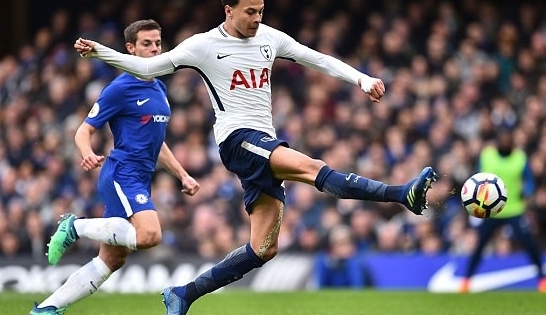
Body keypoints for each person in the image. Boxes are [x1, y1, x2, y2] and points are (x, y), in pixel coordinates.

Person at [74, 1, 438, 314]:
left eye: (261, 10)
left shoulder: (269, 38)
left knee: (264, 249)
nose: (257, 18)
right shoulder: (203, 45)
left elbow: (317, 59)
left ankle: (183, 294)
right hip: (237, 141)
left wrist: (360, 79)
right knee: (312, 169)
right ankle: (400, 194)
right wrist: (100, 51)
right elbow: (148, 68)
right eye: (250, 11)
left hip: (264, 140)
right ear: (228, 10)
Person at [30, 19, 200, 315]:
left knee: (111, 260)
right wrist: (87, 152)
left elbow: (156, 142)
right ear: (130, 49)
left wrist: (182, 174)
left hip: (141, 177)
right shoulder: (119, 88)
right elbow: (83, 131)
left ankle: (47, 308)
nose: (154, 49)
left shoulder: (159, 87)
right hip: (123, 173)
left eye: (157, 43)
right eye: (146, 44)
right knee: (150, 235)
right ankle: (75, 226)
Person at [459, 129, 546, 293]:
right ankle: (466, 281)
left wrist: (526, 191)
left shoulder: (520, 158)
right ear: (497, 143)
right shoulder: (487, 156)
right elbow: (476, 177)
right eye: (503, 141)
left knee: (529, 244)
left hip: (514, 209)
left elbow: (529, 181)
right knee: (480, 245)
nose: (506, 144)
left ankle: (542, 279)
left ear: (513, 143)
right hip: (491, 210)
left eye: (508, 142)